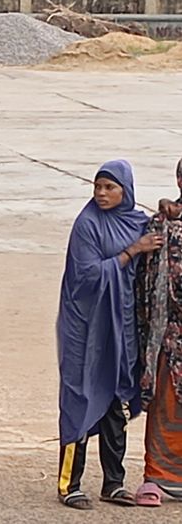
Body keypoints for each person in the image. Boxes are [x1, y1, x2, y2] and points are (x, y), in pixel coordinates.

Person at [56, 160, 159, 510]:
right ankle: (69, 484)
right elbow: (85, 277)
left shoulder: (136, 222)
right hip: (85, 326)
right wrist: (131, 253)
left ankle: (113, 483)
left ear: (126, 191)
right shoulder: (87, 225)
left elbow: (163, 235)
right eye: (97, 186)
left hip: (120, 327)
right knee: (81, 400)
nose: (101, 193)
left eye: (109, 188)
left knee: (116, 402)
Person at [135, 191, 182, 506]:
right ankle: (158, 478)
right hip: (168, 332)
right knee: (165, 405)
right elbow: (144, 279)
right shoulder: (161, 223)